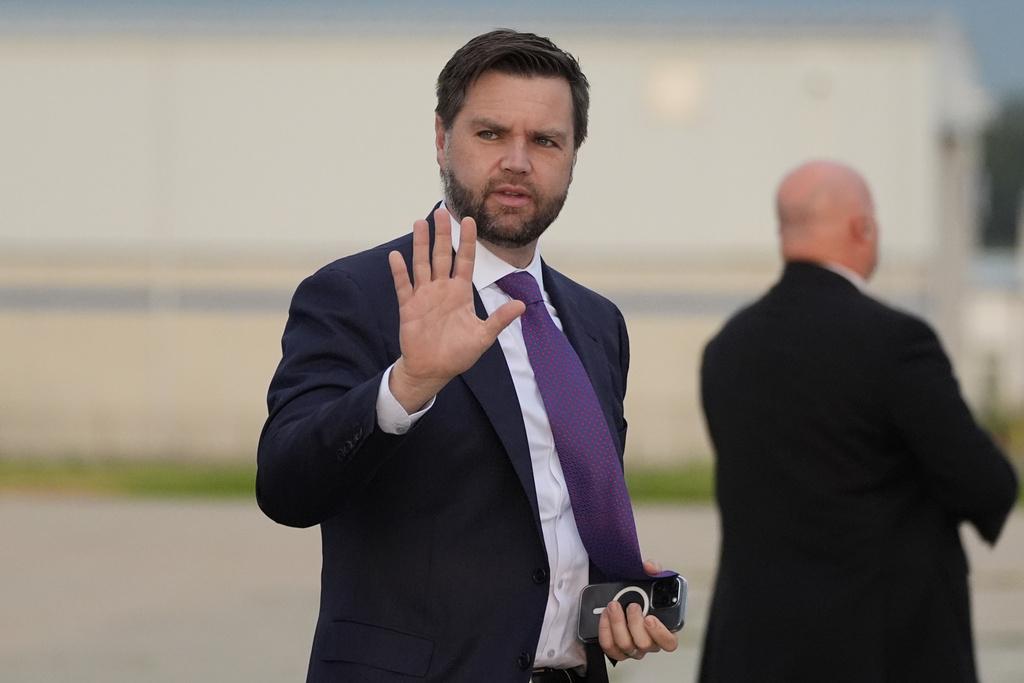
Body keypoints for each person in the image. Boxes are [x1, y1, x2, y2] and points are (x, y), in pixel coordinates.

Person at [256, 29, 677, 683]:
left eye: (545, 141)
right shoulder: (358, 294)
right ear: (441, 138)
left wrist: (613, 602)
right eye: (490, 134)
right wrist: (407, 384)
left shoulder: (597, 325)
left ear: (574, 155)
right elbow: (286, 487)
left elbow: (560, 526)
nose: (517, 161)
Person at [697, 160, 1019, 682]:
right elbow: (984, 486)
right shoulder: (896, 343)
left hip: (753, 653)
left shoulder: (727, 348)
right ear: (862, 228)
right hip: (879, 653)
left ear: (785, 233)